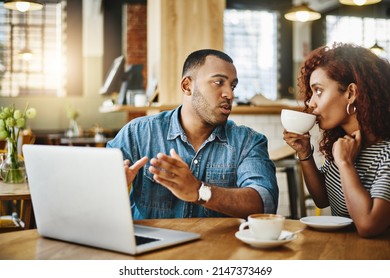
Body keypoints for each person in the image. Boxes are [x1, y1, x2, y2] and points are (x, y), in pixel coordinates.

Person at [107, 49, 278, 219]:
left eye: (232, 86)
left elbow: (265, 203)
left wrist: (199, 191)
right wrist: (110, 186)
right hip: (152, 246)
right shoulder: (138, 133)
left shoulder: (248, 142)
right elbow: (93, 185)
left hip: (219, 246)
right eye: (219, 82)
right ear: (187, 86)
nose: (230, 94)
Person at [283, 43, 390, 238]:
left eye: (318, 91)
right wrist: (305, 153)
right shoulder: (343, 144)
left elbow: (368, 226)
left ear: (350, 93)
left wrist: (345, 164)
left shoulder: (385, 153)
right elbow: (322, 198)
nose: (310, 102)